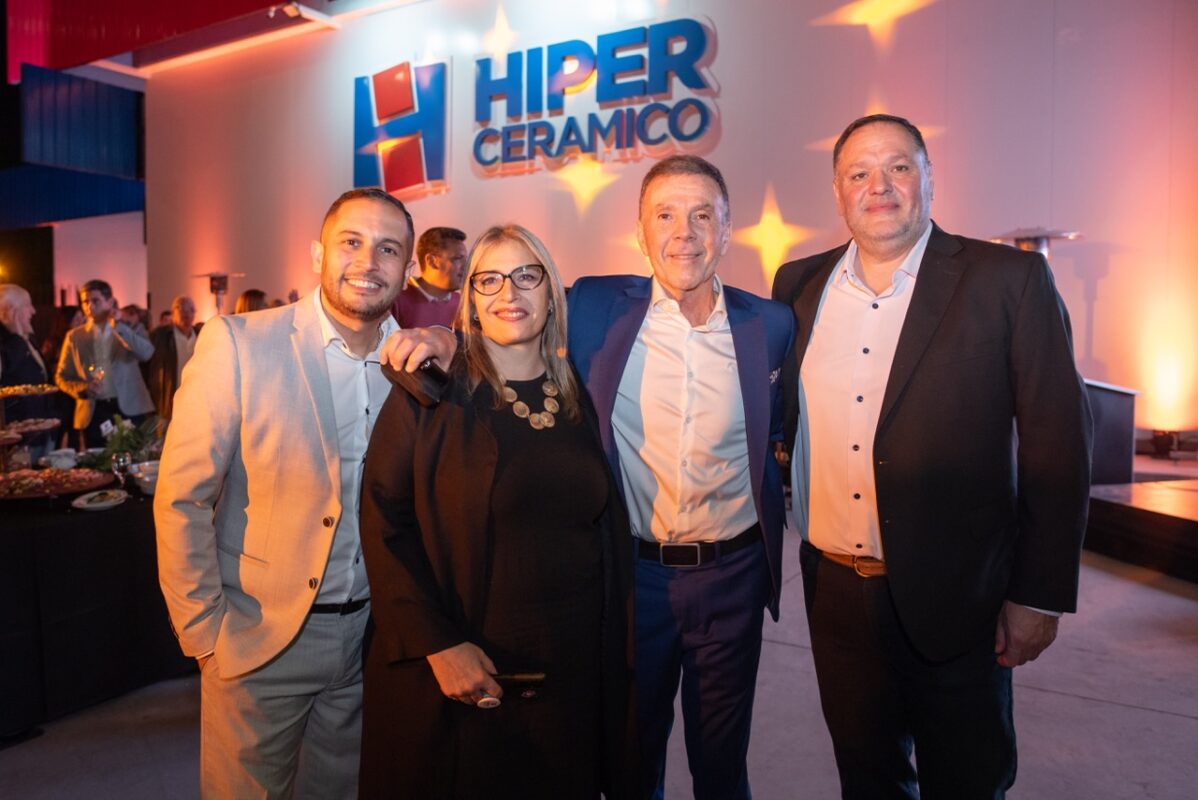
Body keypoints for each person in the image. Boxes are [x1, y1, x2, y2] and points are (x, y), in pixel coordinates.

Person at [772, 113, 1093, 798]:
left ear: (929, 178)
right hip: (835, 594)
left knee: (967, 780)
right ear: (838, 191)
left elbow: (1058, 446)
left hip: (961, 595)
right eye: (859, 172)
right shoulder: (796, 285)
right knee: (867, 777)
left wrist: (1039, 594)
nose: (879, 186)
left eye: (898, 167)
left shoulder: (1008, 280)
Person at [154, 187, 456, 799]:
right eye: (351, 242)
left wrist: (453, 341)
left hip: (370, 644)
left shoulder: (418, 362)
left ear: (407, 269)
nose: (368, 262)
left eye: (388, 249)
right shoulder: (238, 342)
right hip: (258, 641)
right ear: (318, 253)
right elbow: (183, 496)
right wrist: (204, 632)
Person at [358, 224, 637, 799]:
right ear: (472, 301)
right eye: (489, 280)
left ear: (551, 292)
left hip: (572, 671)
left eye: (526, 275)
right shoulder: (430, 391)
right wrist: (439, 645)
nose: (509, 292)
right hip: (471, 670)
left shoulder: (579, 391)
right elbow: (384, 522)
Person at [567, 155, 795, 799]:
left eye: (702, 216)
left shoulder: (770, 325)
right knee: (632, 760)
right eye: (664, 215)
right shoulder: (592, 308)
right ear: (639, 232)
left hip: (734, 576)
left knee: (722, 764)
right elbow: (503, 324)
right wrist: (443, 338)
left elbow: (781, 426)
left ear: (727, 229)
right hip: (635, 578)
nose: (684, 234)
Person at [55, 279, 155, 448]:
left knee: (134, 458)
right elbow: (61, 377)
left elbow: (147, 353)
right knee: (97, 460)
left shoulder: (130, 327)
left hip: (129, 406)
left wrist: (119, 327)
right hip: (94, 411)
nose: (89, 306)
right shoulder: (74, 336)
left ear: (110, 302)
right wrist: (83, 388)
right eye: (85, 302)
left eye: (95, 301)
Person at [0, 284, 54, 458]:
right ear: (12, 311)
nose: (33, 311)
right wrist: (16, 336)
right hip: (17, 438)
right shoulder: (7, 341)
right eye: (27, 305)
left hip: (41, 431)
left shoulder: (27, 336)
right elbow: (8, 371)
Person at [390, 226, 467, 328]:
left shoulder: (462, 304)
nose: (466, 266)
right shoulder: (395, 300)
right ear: (431, 261)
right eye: (457, 259)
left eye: (466, 259)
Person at [147, 295, 200, 426]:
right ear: (173, 313)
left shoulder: (201, 334)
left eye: (190, 310)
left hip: (196, 399)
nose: (186, 314)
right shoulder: (161, 335)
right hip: (169, 398)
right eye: (181, 309)